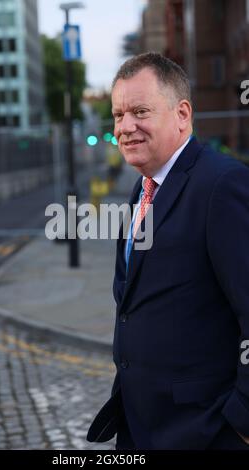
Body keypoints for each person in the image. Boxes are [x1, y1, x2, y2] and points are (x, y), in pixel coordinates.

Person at [87, 52, 249, 450]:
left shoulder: (222, 185)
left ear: (182, 114)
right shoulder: (140, 190)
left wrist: (241, 425)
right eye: (118, 114)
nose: (125, 127)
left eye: (140, 111)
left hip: (203, 432)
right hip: (141, 426)